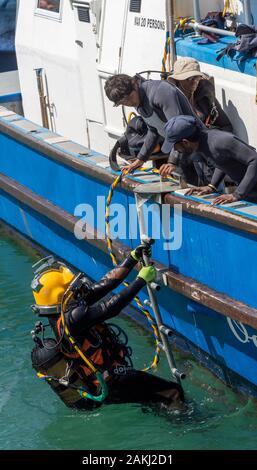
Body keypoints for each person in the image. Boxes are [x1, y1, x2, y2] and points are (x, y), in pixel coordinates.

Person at [31, 248, 184, 410]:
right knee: (172, 392)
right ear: (61, 295)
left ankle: (166, 415)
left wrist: (131, 260)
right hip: (113, 381)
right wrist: (141, 280)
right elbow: (112, 306)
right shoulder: (73, 318)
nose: (76, 289)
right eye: (71, 287)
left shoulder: (59, 316)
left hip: (104, 382)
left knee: (153, 397)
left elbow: (104, 285)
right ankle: (190, 424)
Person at [104, 73, 203, 176]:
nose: (129, 103)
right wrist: (140, 159)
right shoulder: (138, 99)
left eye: (129, 98)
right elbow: (153, 130)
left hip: (200, 147)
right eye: (123, 103)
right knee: (186, 188)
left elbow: (178, 129)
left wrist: (172, 161)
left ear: (134, 84)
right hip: (181, 150)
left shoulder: (160, 91)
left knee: (208, 186)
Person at [159, 115, 257, 205]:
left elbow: (254, 160)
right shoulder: (202, 145)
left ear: (185, 142)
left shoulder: (221, 141)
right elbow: (222, 161)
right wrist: (212, 186)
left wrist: (237, 194)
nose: (176, 150)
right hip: (250, 191)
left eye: (175, 147)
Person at [167, 57, 233, 186]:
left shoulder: (205, 97)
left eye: (195, 78)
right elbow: (174, 133)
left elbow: (226, 125)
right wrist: (172, 161)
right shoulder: (172, 100)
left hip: (207, 148)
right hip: (184, 150)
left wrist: (212, 137)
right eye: (188, 79)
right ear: (177, 81)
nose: (193, 82)